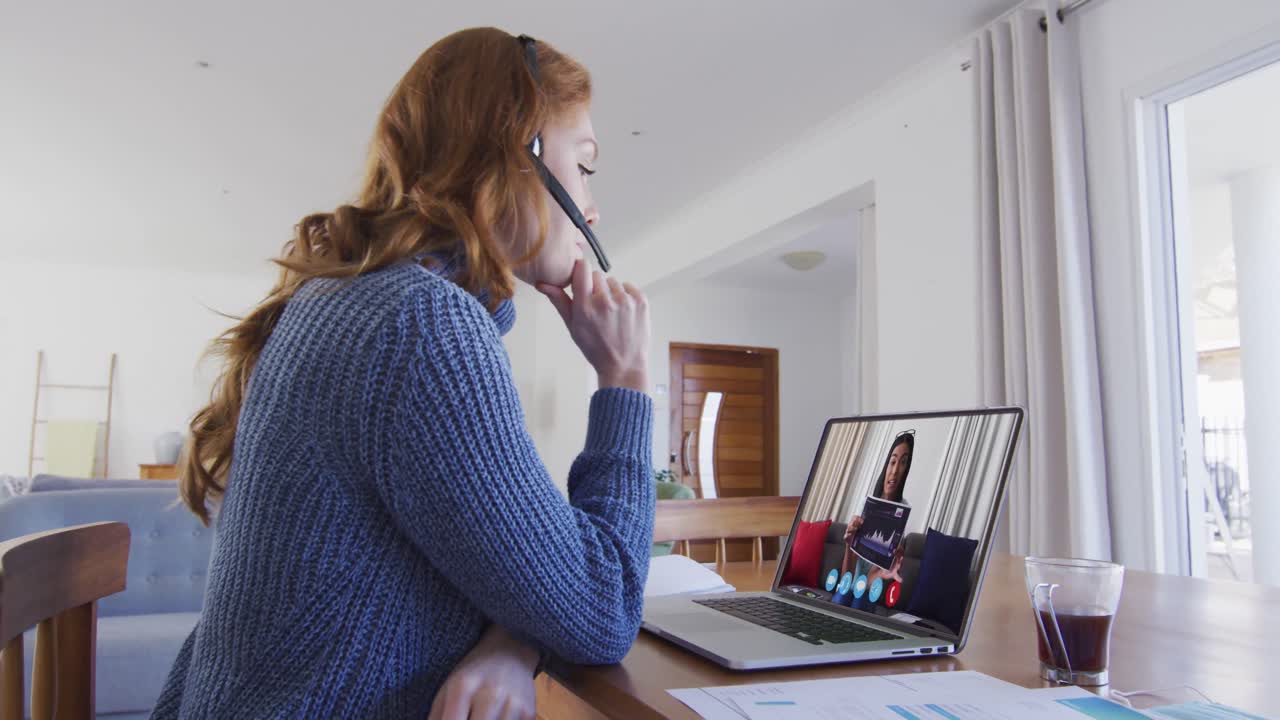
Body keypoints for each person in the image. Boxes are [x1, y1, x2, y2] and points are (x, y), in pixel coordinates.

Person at [152, 28, 654, 720]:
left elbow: (519, 565)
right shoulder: (423, 328)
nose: (592, 207)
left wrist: (512, 640)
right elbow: (603, 608)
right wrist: (624, 379)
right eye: (585, 165)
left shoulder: (360, 302)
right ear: (521, 153)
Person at [838, 432, 914, 605]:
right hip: (848, 586)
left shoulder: (901, 512)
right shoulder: (866, 504)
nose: (895, 471)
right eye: (893, 462)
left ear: (907, 470)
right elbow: (845, 578)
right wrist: (849, 545)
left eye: (903, 463)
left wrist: (880, 573)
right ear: (886, 464)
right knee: (842, 597)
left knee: (859, 601)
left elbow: (869, 581)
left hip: (867, 590)